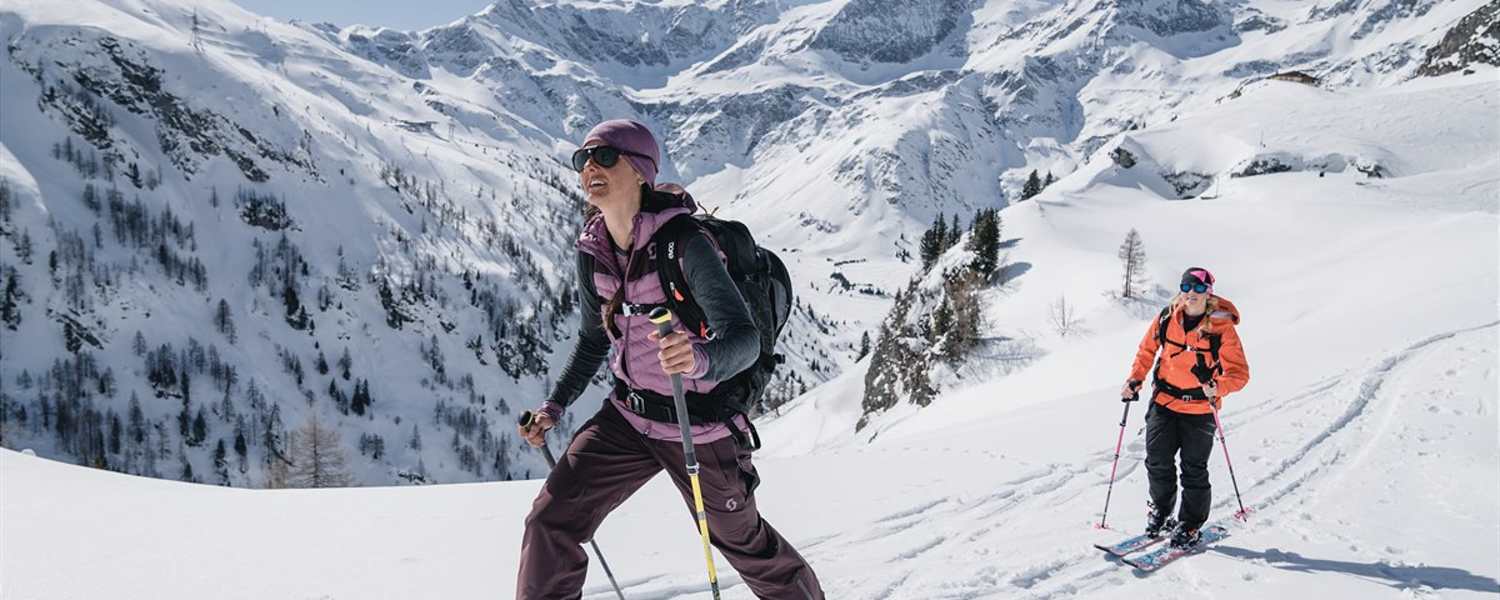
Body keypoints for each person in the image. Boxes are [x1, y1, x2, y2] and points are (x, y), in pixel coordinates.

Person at [515, 119, 824, 599]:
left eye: (606, 157)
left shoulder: (685, 244)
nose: (590, 166)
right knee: (550, 522)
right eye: (583, 159)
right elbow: (593, 340)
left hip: (697, 422)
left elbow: (745, 341)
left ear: (641, 170)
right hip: (629, 416)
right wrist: (554, 408)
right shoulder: (593, 251)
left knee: (741, 541)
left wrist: (697, 359)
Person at [1120, 267, 1249, 547]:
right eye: (1187, 286)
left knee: (1193, 468)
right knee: (1157, 461)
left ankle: (1190, 524)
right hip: (1164, 402)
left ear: (1209, 291)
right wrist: (1135, 380)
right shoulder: (1167, 318)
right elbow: (1146, 351)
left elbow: (1239, 373)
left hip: (1200, 409)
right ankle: (1162, 511)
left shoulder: (1221, 328)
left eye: (1199, 287)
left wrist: (1219, 387)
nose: (1192, 292)